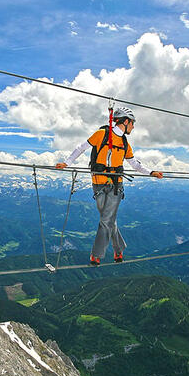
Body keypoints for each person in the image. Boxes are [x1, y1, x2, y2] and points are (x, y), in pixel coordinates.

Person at [56, 107, 163, 266]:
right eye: (132, 123)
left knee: (106, 219)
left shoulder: (125, 143)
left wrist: (151, 172)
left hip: (116, 186)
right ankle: (119, 248)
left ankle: (96, 255)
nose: (133, 127)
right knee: (109, 219)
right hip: (98, 184)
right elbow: (81, 148)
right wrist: (67, 163)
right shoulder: (101, 134)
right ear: (125, 121)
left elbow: (134, 163)